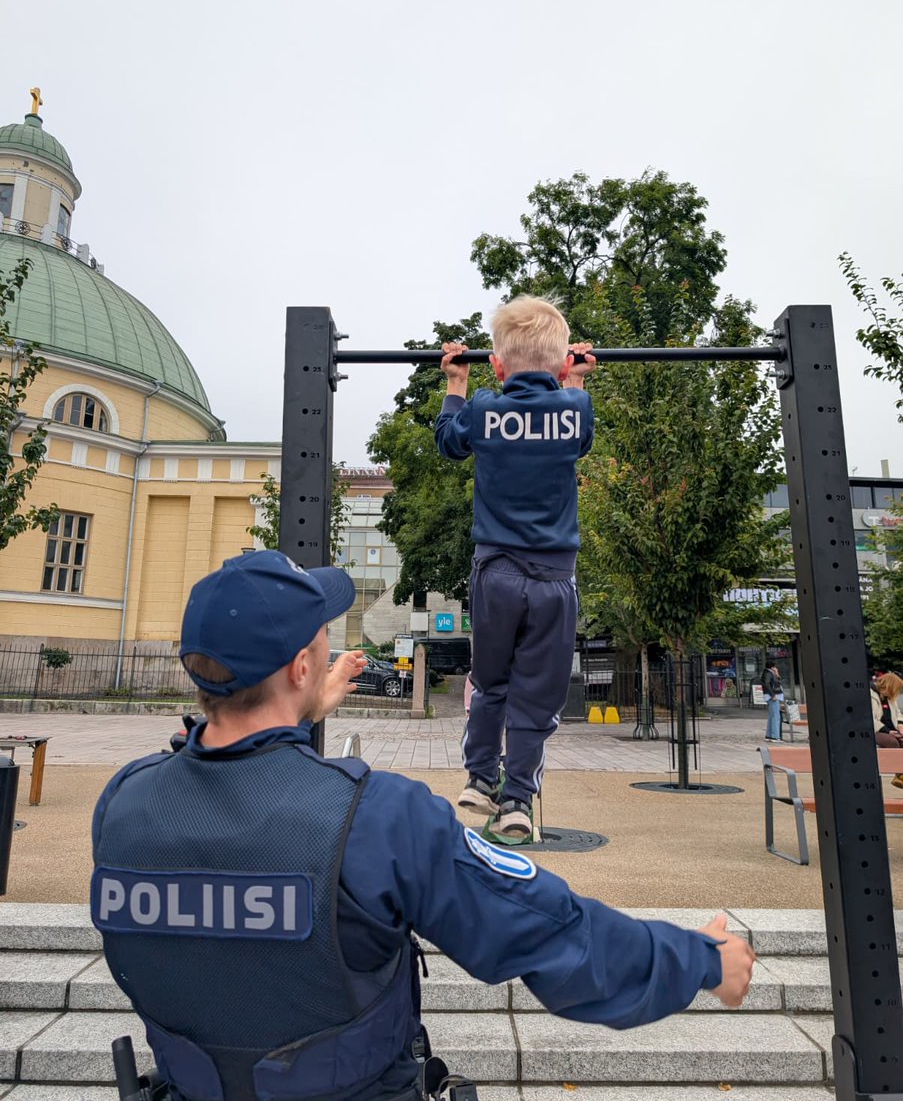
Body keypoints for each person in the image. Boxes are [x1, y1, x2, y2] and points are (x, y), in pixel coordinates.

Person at [91, 549, 755, 1101]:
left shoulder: (124, 804)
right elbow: (553, 936)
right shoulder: (379, 819)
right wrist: (699, 961)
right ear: (299, 668)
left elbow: (222, 772)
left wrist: (293, 712)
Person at [435, 295, 596, 842]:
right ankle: (519, 799)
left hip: (496, 573)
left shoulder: (484, 407)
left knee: (491, 680)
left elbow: (449, 445)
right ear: (557, 365)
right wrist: (572, 383)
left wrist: (457, 385)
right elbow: (578, 436)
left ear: (497, 366)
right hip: (553, 580)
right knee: (538, 692)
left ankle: (480, 778)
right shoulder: (574, 409)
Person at [873, 671, 903, 788]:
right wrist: (888, 731)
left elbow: (898, 714)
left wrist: (900, 727)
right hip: (877, 730)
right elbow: (870, 719)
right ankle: (899, 774)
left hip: (892, 729)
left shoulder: (890, 698)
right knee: (892, 742)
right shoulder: (872, 695)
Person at [761, 660, 784, 741]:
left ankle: (770, 735)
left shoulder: (770, 673)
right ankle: (775, 736)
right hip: (773, 696)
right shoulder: (768, 673)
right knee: (775, 716)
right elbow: (767, 684)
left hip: (772, 695)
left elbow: (777, 681)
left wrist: (777, 674)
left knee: (772, 716)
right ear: (772, 667)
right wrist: (773, 695)